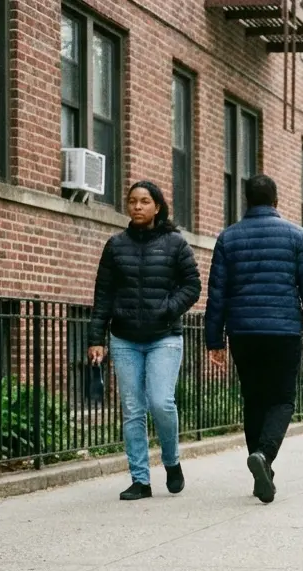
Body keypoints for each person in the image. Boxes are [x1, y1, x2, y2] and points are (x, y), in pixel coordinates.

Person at [204, 175, 303, 504]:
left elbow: (217, 294)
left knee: (254, 399)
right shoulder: (296, 236)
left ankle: (262, 466)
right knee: (283, 400)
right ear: (276, 200)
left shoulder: (228, 238)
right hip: (283, 331)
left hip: (243, 331)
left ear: (247, 200)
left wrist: (213, 340)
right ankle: (265, 455)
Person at [87, 181, 201, 501]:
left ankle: (172, 460)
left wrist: (168, 308)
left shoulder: (175, 244)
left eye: (144, 201)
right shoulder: (115, 245)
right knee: (133, 409)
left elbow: (192, 286)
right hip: (124, 338)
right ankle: (140, 479)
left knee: (161, 402)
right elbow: (103, 295)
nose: (137, 207)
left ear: (157, 207)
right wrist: (96, 337)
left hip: (164, 336)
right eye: (132, 201)